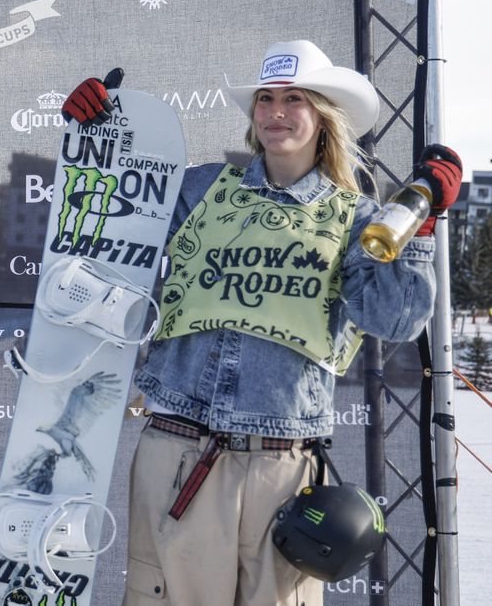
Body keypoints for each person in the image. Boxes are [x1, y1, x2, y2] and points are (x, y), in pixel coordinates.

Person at [61, 41, 460, 606]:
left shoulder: (358, 219)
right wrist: (98, 138)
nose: (276, 111)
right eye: (266, 99)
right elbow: (110, 224)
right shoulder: (201, 189)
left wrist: (420, 227)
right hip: (179, 449)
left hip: (283, 465)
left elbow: (392, 321)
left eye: (294, 98)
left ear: (323, 117)